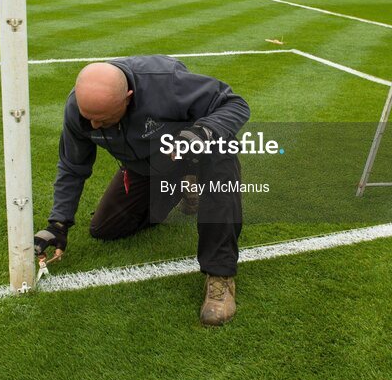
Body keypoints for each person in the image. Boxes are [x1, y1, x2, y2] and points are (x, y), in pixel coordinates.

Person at [34, 56, 250, 326]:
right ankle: (182, 184)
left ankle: (220, 275)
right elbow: (72, 166)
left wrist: (202, 133)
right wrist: (58, 223)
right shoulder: (80, 110)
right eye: (89, 119)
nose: (94, 127)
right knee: (106, 228)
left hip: (191, 149)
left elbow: (235, 103)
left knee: (221, 154)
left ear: (128, 97)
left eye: (103, 120)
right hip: (147, 166)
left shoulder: (167, 83)